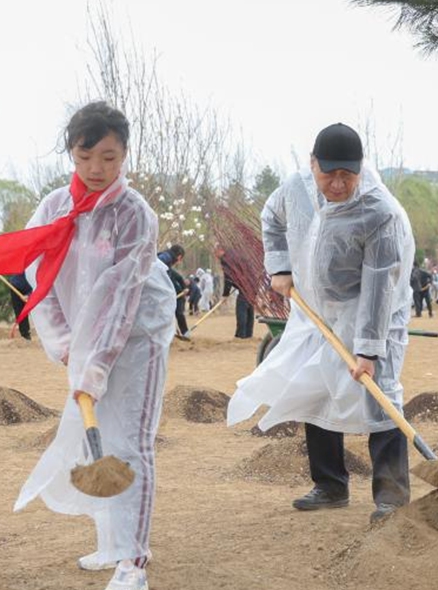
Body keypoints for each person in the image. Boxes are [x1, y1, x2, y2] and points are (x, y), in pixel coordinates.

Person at [0, 101, 174, 590]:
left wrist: (97, 362)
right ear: (72, 154)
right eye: (86, 157)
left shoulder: (135, 215)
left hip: (136, 339)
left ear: (124, 153)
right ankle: (111, 543)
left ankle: (134, 560)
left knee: (131, 444)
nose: (97, 169)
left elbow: (123, 296)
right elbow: (42, 278)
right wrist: (64, 343)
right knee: (96, 441)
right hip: (84, 340)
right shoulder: (55, 206)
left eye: (109, 156)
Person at [226, 122, 415, 524]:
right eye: (329, 173)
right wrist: (279, 267)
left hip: (372, 307)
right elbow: (271, 218)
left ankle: (392, 496)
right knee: (314, 388)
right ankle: (330, 485)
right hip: (313, 310)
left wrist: (368, 350)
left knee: (378, 391)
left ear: (360, 169)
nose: (338, 183)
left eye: (348, 174)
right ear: (313, 164)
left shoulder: (380, 213)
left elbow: (380, 286)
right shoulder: (294, 189)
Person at [215, 243, 255, 339]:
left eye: (215, 252)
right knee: (249, 308)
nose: (215, 255)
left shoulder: (226, 259)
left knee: (242, 308)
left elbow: (228, 278)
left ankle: (241, 335)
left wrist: (225, 294)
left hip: (246, 284)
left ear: (221, 250)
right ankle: (248, 334)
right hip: (253, 283)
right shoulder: (235, 254)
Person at [159, 244, 188, 338]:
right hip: (159, 292)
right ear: (179, 257)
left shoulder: (168, 260)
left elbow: (178, 277)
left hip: (175, 294)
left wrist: (184, 289)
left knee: (178, 313)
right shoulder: (165, 258)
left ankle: (184, 333)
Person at [8, 272, 33, 341]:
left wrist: (29, 295)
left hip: (33, 286)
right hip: (16, 286)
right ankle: (25, 336)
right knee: (20, 312)